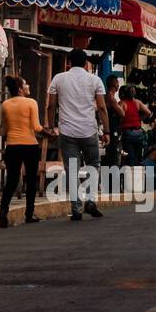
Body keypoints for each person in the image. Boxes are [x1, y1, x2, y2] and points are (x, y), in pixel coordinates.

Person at [46, 48, 109, 221]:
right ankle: (90, 200)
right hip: (89, 130)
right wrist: (107, 131)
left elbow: (51, 106)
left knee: (72, 170)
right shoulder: (95, 80)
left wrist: (51, 127)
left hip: (67, 132)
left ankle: (76, 208)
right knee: (93, 165)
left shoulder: (58, 78)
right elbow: (102, 108)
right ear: (86, 63)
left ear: (69, 62)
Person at [0, 76, 45, 227]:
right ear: (20, 89)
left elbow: (5, 129)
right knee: (31, 180)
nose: (28, 85)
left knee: (11, 180)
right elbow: (37, 127)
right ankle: (29, 214)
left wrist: (5, 147)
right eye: (25, 84)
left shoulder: (5, 105)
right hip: (30, 145)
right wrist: (51, 134)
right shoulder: (31, 103)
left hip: (12, 146)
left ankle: (3, 212)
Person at [120, 85, 147, 167]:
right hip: (138, 133)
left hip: (127, 133)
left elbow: (120, 116)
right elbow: (148, 112)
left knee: (129, 158)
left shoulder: (122, 103)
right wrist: (139, 119)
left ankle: (129, 177)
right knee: (138, 158)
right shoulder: (138, 103)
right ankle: (137, 178)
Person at [103, 76, 124, 167]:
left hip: (108, 128)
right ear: (115, 84)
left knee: (109, 155)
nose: (118, 85)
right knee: (114, 156)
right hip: (112, 130)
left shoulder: (105, 96)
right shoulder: (111, 98)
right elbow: (122, 113)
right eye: (117, 82)